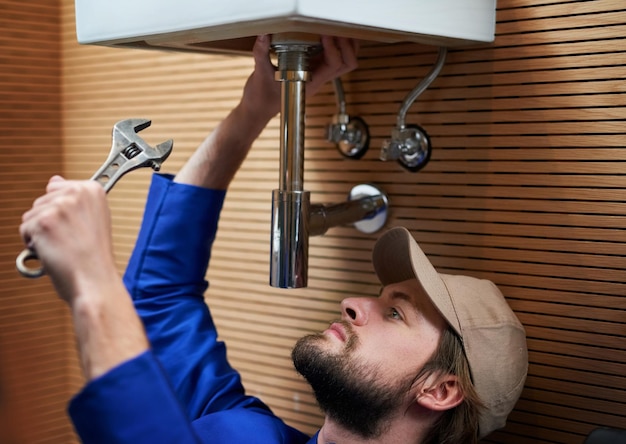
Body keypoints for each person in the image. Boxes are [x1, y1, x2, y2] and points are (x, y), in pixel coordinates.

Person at [19, 35, 528, 444]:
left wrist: (91, 283)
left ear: (440, 389)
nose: (352, 303)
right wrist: (253, 111)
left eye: (396, 312)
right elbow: (161, 298)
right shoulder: (250, 431)